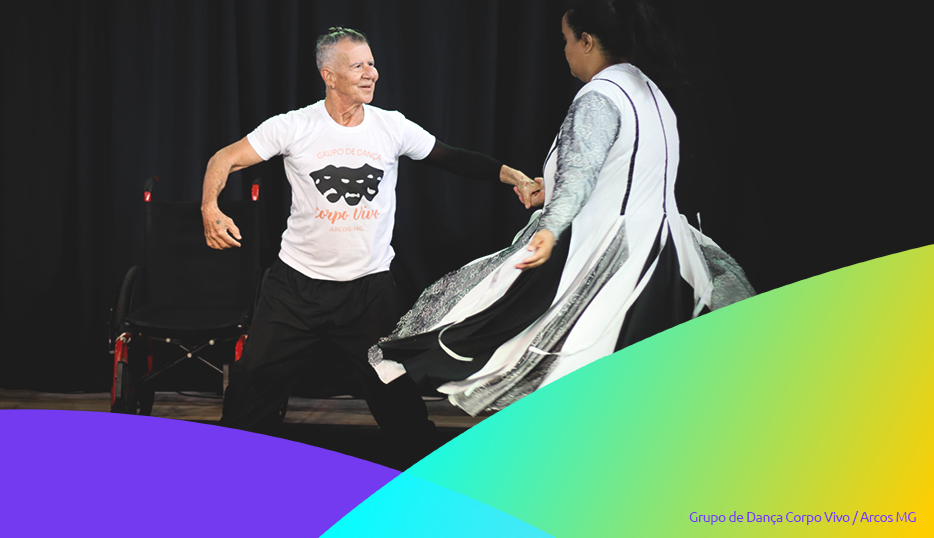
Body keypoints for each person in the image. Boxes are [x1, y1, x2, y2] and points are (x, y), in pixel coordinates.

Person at [370, 0, 755, 416]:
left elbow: (581, 175)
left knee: (544, 359)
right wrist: (548, 191)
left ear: (586, 41)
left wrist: (549, 228)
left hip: (615, 257)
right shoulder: (647, 90)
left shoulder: (600, 95)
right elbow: (619, 171)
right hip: (666, 252)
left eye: (566, 40)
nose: (565, 50)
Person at [200, 27, 539, 435]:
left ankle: (416, 467)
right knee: (253, 383)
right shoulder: (294, 126)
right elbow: (225, 159)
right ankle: (225, 459)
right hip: (295, 286)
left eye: (372, 64)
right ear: (329, 76)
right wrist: (209, 207)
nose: (371, 73)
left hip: (368, 290)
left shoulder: (390, 126)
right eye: (358, 65)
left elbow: (452, 158)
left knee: (395, 395)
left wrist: (514, 176)